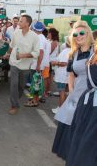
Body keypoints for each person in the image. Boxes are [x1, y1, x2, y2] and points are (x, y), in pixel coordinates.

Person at [52, 21, 95, 160]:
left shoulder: (95, 52)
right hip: (76, 93)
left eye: (82, 33)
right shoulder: (74, 53)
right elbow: (71, 74)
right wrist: (71, 91)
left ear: (88, 34)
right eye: (75, 34)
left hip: (91, 94)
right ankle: (71, 155)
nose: (78, 36)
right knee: (70, 125)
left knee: (85, 128)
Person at [66, 41, 97, 166]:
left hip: (89, 104)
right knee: (88, 144)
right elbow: (71, 74)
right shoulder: (93, 58)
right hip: (91, 106)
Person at [4, 14, 40, 115]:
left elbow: (36, 53)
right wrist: (7, 54)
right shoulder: (16, 33)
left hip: (25, 66)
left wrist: (23, 55)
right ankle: (14, 105)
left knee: (21, 86)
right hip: (14, 63)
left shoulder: (34, 37)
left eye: (21, 21)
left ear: (27, 23)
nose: (18, 23)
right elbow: (11, 46)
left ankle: (15, 99)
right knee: (13, 84)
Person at [25, 21, 49, 107]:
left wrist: (38, 65)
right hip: (38, 64)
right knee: (36, 83)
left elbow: (41, 52)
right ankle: (34, 99)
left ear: (34, 29)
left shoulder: (39, 38)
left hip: (37, 65)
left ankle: (34, 101)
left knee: (35, 83)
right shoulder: (42, 37)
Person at [51, 37, 71, 114]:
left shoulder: (66, 51)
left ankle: (60, 109)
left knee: (61, 93)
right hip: (67, 75)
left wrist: (55, 63)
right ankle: (62, 108)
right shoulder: (73, 51)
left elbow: (64, 63)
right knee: (65, 92)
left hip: (62, 75)